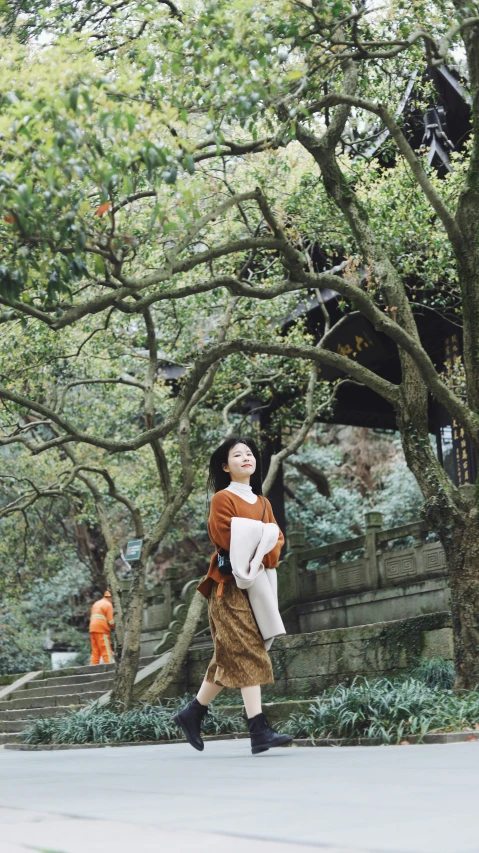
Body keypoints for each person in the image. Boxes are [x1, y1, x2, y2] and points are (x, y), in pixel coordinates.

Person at [173, 436, 293, 755]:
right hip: (228, 587)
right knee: (247, 650)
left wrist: (264, 541)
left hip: (255, 587)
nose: (246, 458)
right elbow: (227, 537)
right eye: (237, 455)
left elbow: (276, 543)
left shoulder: (263, 503)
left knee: (229, 656)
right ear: (226, 467)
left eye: (250, 453)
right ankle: (258, 729)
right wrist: (263, 537)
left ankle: (192, 713)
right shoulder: (221, 499)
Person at [89, 590, 115, 665]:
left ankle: (92, 670)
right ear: (110, 597)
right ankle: (110, 668)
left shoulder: (96, 603)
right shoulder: (108, 605)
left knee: (95, 652)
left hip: (92, 629)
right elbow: (111, 621)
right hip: (101, 629)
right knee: (106, 651)